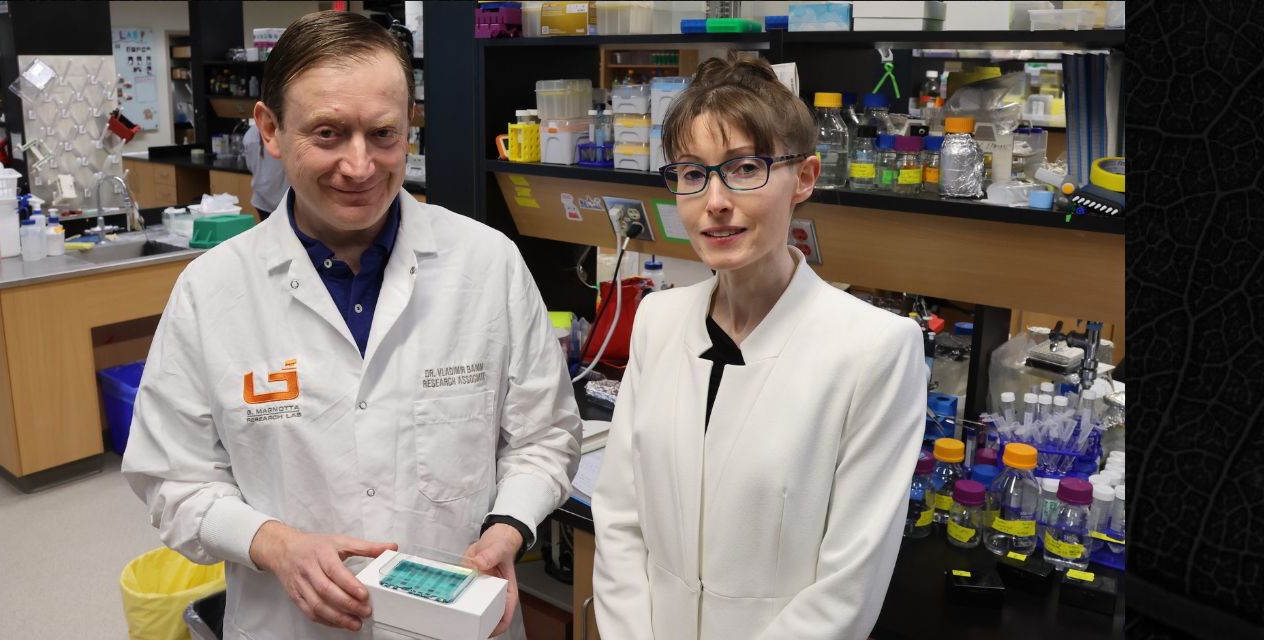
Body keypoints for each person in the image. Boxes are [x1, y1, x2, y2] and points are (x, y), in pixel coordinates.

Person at [123, 11, 581, 640]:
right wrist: (274, 544)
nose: (360, 165)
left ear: (410, 129)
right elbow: (171, 478)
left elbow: (546, 436)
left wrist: (508, 528)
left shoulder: (487, 264)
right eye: (329, 133)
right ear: (271, 131)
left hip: (461, 622)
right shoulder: (212, 292)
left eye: (383, 133)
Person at [590, 53, 928, 639]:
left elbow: (848, 586)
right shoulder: (658, 320)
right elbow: (620, 518)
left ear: (804, 177)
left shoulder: (875, 349)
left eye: (745, 168)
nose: (714, 200)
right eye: (691, 173)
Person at [241, 119, 290, 219]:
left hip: (261, 200)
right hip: (284, 201)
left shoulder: (250, 134)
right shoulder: (285, 131)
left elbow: (250, 166)